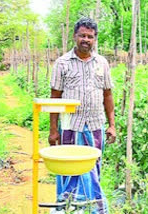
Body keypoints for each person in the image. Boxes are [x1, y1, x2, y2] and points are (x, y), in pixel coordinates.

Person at [48, 17, 116, 214]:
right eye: (82, 35)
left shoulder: (101, 63)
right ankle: (66, 207)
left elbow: (108, 94)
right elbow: (55, 97)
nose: (86, 39)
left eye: (90, 36)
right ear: (74, 37)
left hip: (95, 124)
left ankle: (95, 208)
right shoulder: (62, 63)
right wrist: (53, 130)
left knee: (94, 166)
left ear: (95, 39)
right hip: (70, 124)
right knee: (68, 167)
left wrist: (111, 125)